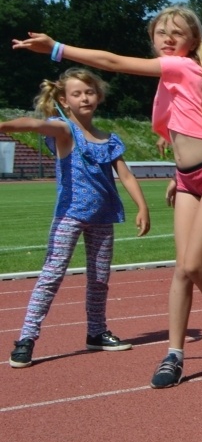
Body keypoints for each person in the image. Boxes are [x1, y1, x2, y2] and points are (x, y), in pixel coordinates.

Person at [15, 7, 202, 387]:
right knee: (181, 270)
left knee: (194, 265)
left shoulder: (182, 67)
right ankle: (174, 354)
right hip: (188, 177)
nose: (168, 38)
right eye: (161, 32)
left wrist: (57, 48)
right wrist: (175, 159)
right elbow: (183, 126)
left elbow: (111, 62)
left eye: (177, 33)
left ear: (192, 43)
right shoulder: (169, 85)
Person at [5, 70, 150, 369]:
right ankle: (26, 339)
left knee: (99, 280)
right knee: (52, 275)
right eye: (77, 93)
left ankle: (96, 332)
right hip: (70, 216)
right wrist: (4, 124)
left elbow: (124, 174)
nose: (85, 97)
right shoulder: (64, 130)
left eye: (89, 92)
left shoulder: (109, 139)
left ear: (98, 95)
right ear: (63, 100)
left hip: (103, 217)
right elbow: (34, 124)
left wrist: (142, 206)